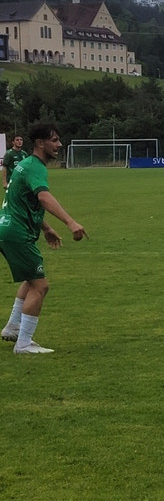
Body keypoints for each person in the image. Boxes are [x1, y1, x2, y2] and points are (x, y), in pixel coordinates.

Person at [0, 122, 87, 354]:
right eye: (54, 140)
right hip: (16, 232)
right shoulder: (35, 166)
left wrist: (46, 228)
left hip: (8, 228)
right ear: (40, 143)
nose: (59, 144)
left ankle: (12, 327)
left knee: (31, 280)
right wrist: (70, 222)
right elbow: (44, 197)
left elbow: (26, 202)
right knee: (41, 285)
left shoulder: (26, 164)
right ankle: (24, 343)